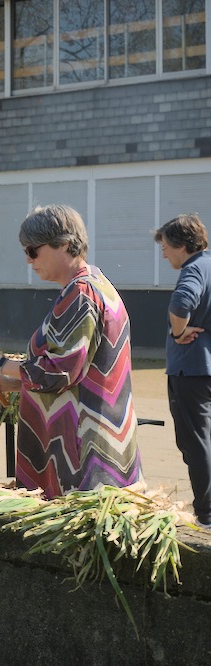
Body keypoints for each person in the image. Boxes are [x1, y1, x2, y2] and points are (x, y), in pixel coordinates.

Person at [0, 204, 142, 499]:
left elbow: (59, 372)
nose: (28, 260)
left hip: (83, 458)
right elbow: (77, 374)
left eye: (33, 250)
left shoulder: (82, 294)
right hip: (95, 449)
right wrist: (12, 383)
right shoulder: (95, 285)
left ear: (63, 244)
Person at [154, 213, 211, 527]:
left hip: (191, 369)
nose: (164, 254)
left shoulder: (194, 269)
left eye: (165, 247)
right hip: (205, 366)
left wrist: (178, 332)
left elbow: (180, 304)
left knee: (195, 442)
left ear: (181, 245)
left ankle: (206, 512)